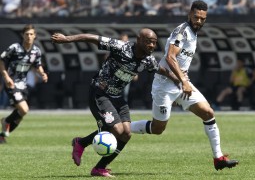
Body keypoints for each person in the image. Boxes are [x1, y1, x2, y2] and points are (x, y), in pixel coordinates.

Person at [51, 28, 180, 177]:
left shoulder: (147, 60)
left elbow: (161, 70)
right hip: (100, 93)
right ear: (138, 40)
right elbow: (91, 37)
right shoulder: (121, 47)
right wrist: (67, 39)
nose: (152, 46)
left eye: (154, 43)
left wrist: (178, 80)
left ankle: (99, 167)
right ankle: (81, 143)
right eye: (148, 42)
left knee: (126, 133)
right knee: (117, 130)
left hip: (118, 97)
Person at [130, 0, 239, 171]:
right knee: (157, 128)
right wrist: (184, 82)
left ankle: (218, 158)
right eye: (196, 17)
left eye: (203, 19)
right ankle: (122, 127)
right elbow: (170, 57)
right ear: (189, 14)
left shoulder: (194, 33)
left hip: (181, 82)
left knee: (208, 112)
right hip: (165, 85)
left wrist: (183, 81)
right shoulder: (182, 32)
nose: (199, 21)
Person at [0, 24, 48, 144]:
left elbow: (37, 65)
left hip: (23, 85)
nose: (29, 36)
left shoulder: (36, 51)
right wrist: (6, 76)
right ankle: (5, 121)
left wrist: (42, 73)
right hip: (11, 83)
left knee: (20, 115)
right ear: (23, 35)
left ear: (35, 36)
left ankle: (2, 135)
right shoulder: (15, 48)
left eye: (31, 34)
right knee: (24, 109)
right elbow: (1, 60)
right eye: (26, 34)